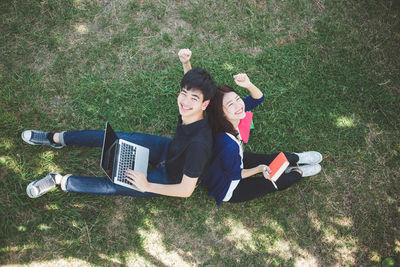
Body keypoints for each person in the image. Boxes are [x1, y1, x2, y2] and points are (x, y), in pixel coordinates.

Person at [22, 49, 216, 199]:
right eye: (183, 93)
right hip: (169, 149)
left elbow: (186, 190)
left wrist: (147, 185)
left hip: (172, 177)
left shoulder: (199, 145)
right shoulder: (191, 111)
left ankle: (59, 180)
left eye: (194, 99)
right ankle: (55, 138)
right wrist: (186, 63)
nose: (185, 102)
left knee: (115, 186)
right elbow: (189, 87)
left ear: (204, 104)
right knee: (116, 137)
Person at [202, 74, 323, 205]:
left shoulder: (228, 117)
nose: (239, 105)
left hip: (235, 159)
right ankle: (297, 171)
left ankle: (298, 158)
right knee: (276, 182)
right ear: (220, 112)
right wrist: (258, 169)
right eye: (231, 104)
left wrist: (248, 84)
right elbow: (233, 174)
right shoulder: (227, 145)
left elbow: (257, 98)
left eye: (238, 98)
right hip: (228, 186)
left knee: (275, 159)